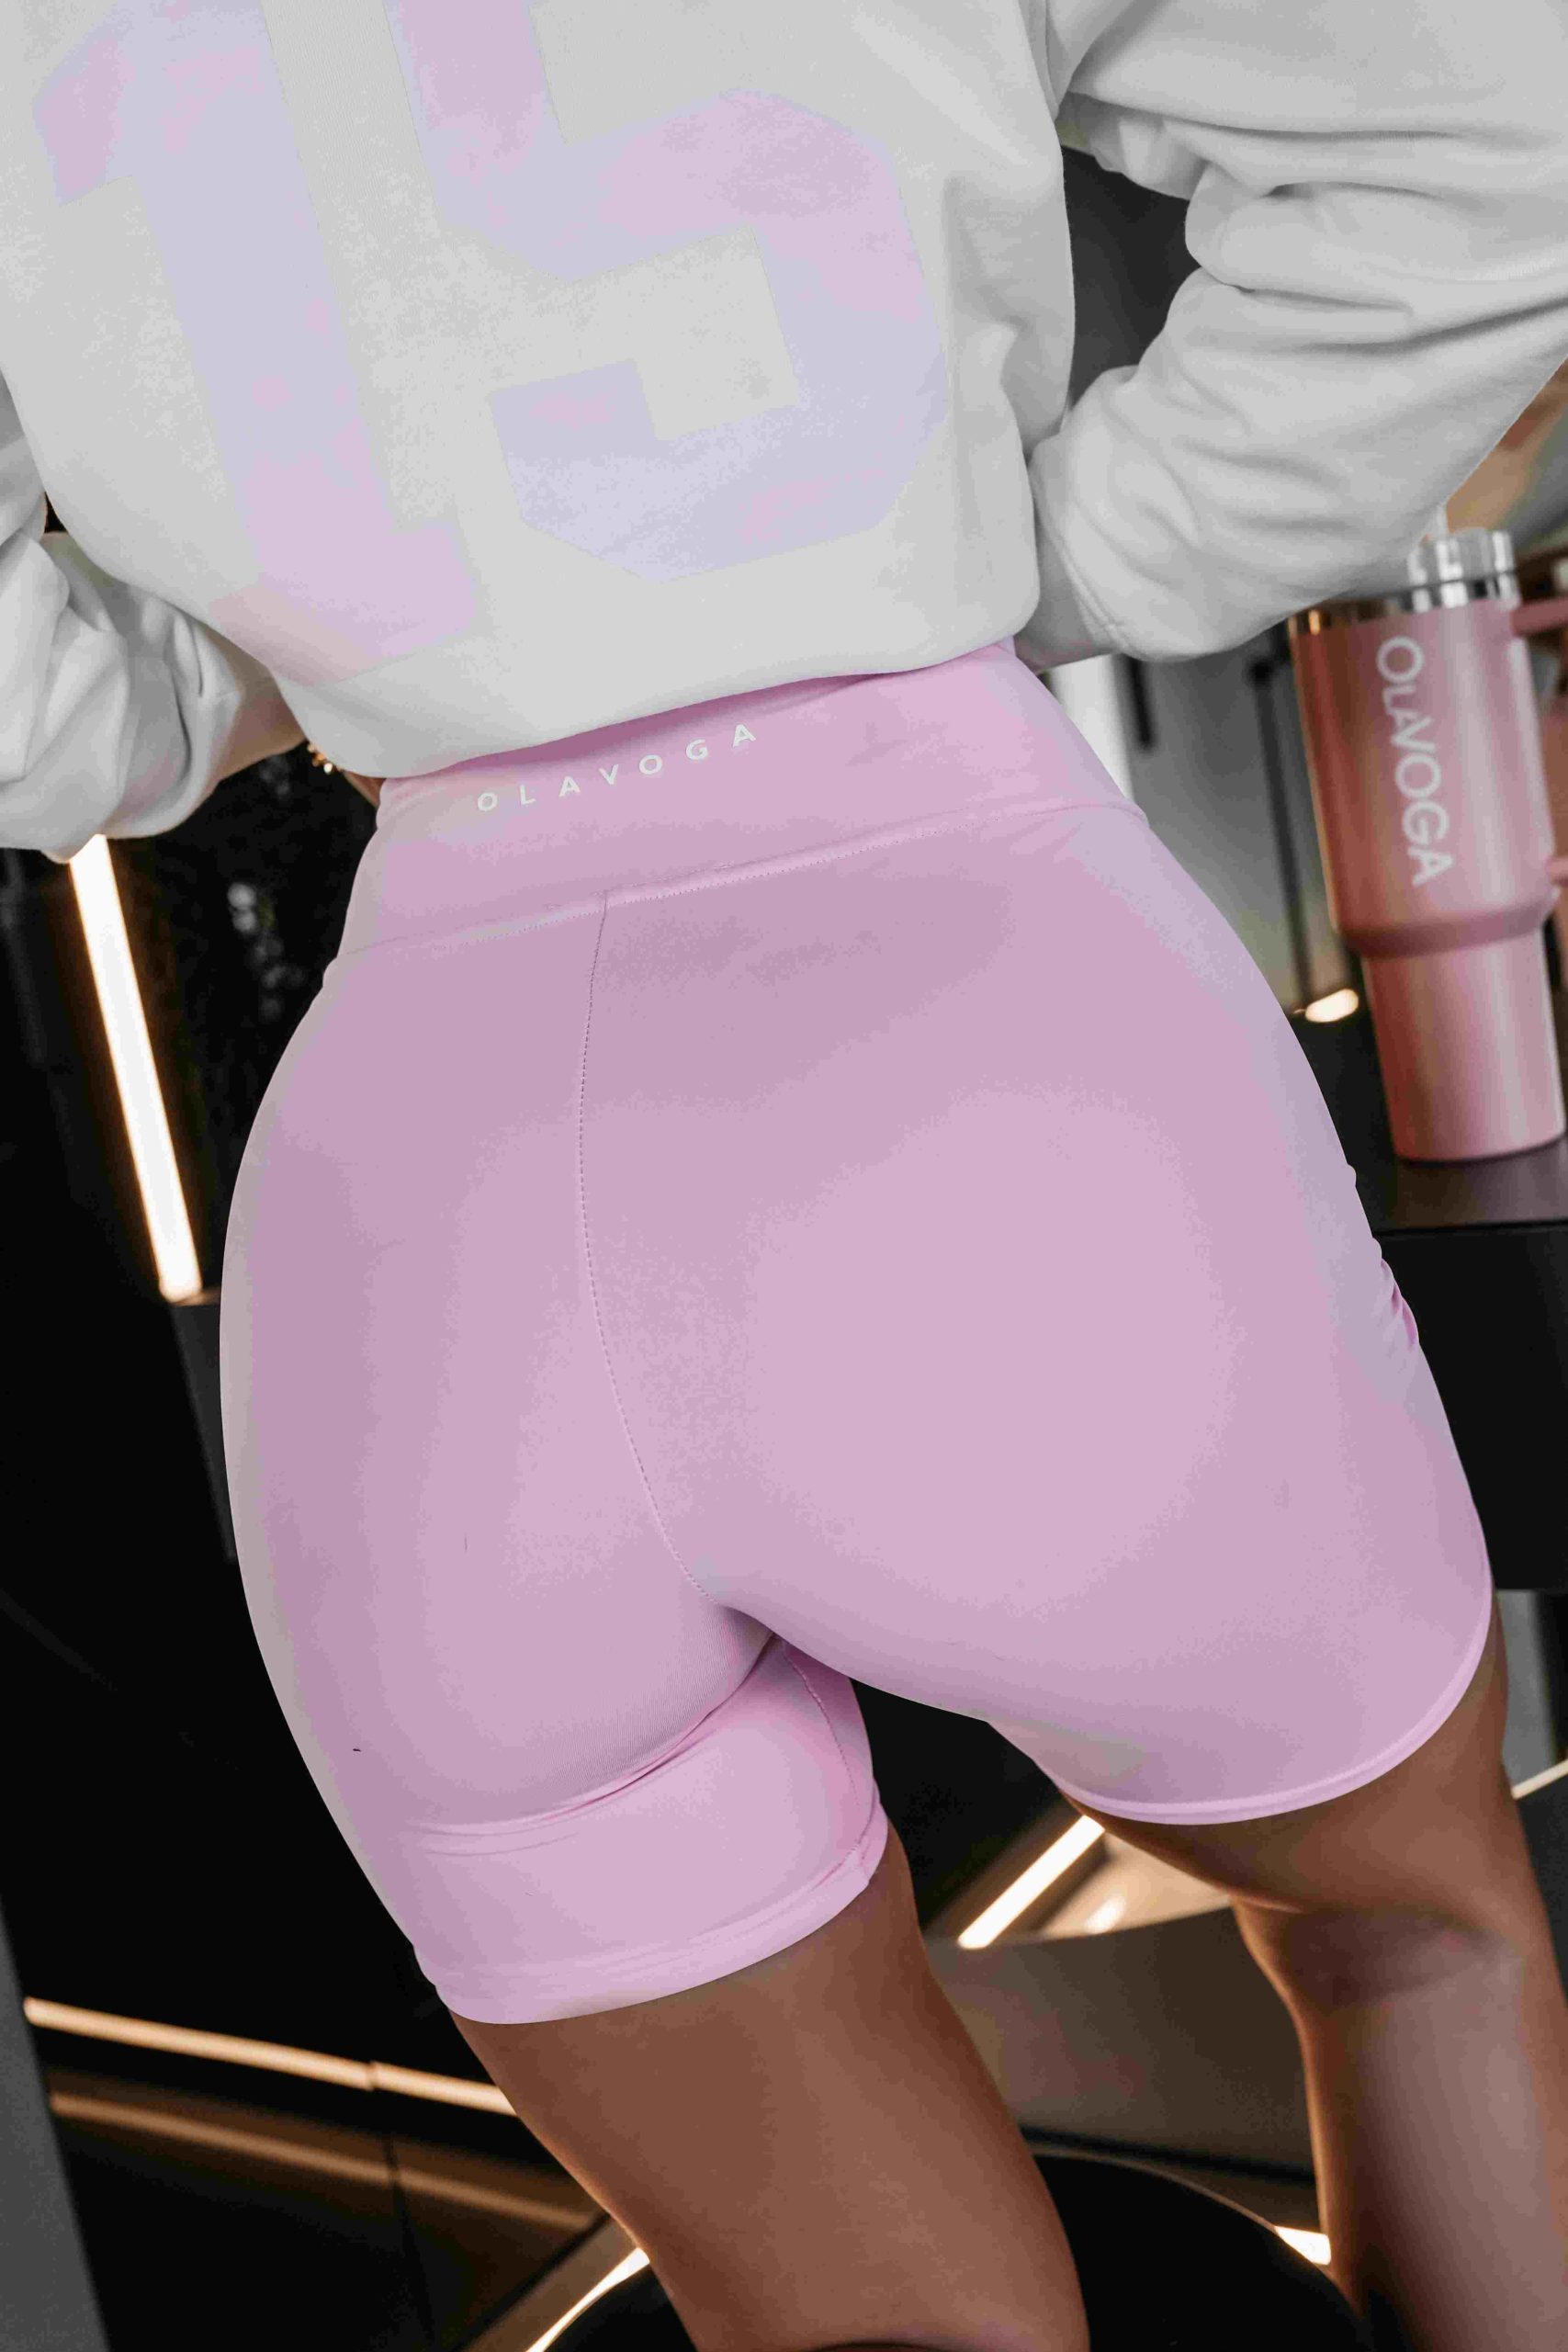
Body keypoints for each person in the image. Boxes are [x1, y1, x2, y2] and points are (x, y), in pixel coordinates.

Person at [5, 6, 1568, 2348]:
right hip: (986, 1039)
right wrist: (1066, 552)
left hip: (412, 1251)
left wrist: (275, 677)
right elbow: (1495, 140)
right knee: (1410, 1935)